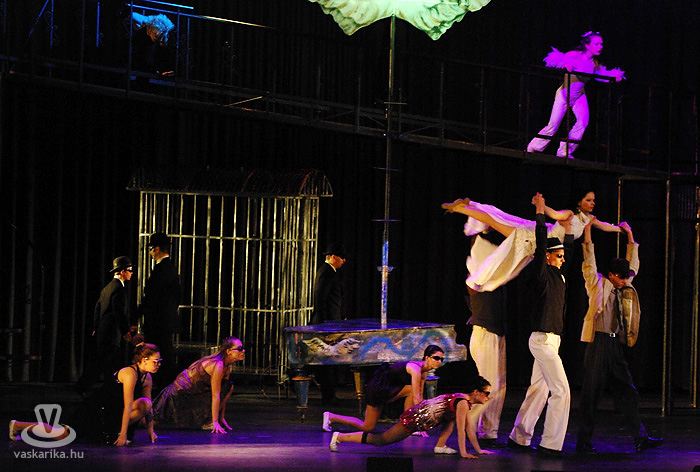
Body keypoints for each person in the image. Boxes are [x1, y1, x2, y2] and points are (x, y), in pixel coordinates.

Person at [576, 219, 663, 454]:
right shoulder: (597, 283)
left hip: (614, 343)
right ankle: (583, 442)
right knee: (592, 393)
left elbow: (633, 263)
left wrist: (630, 235)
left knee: (628, 390)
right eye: (621, 277)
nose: (625, 281)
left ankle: (640, 437)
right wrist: (587, 230)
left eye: (626, 277)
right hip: (598, 341)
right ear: (611, 275)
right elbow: (589, 261)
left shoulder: (623, 285)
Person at [442, 189, 619, 292]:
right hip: (533, 238)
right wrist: (540, 205)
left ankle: (467, 206)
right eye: (589, 200)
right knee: (496, 223)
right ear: (579, 202)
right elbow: (553, 214)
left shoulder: (588, 219)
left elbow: (605, 226)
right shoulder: (569, 214)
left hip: (538, 244)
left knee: (500, 223)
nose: (592, 203)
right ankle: (461, 208)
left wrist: (622, 229)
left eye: (593, 200)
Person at [507, 193, 572, 457]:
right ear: (546, 257)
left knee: (539, 390)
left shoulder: (560, 278)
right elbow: (542, 240)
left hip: (553, 341)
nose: (562, 259)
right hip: (542, 339)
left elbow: (567, 251)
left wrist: (568, 228)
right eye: (558, 256)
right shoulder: (542, 275)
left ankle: (519, 437)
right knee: (561, 390)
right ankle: (550, 444)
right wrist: (540, 212)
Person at [13, 343, 161, 446]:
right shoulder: (130, 373)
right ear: (144, 360)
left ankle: (114, 431)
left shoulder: (147, 378)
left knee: (145, 403)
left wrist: (150, 432)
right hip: (95, 410)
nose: (158, 364)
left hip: (112, 413)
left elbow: (148, 407)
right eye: (156, 361)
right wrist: (123, 434)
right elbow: (128, 404)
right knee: (61, 435)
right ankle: (17, 425)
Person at [329, 376, 494, 459]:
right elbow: (462, 431)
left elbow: (469, 428)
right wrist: (464, 453)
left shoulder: (463, 401)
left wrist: (479, 450)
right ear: (475, 392)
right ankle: (340, 437)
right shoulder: (462, 403)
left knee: (450, 419)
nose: (488, 397)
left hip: (419, 418)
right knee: (380, 440)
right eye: (486, 393)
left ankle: (440, 446)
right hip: (413, 420)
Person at [526, 31, 625, 159]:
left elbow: (602, 75)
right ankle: (533, 147)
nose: (600, 47)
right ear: (587, 45)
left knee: (583, 122)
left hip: (579, 95)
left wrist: (615, 76)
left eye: (601, 44)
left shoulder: (594, 63)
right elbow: (557, 60)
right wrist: (565, 65)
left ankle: (564, 151)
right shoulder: (575, 55)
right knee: (553, 126)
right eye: (597, 44)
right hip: (565, 94)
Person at [322, 345, 445, 433]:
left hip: (386, 389)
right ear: (427, 358)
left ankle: (331, 417)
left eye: (441, 359)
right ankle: (408, 424)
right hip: (379, 388)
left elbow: (420, 396)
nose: (439, 361)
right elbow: (416, 398)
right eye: (436, 358)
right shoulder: (416, 369)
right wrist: (421, 422)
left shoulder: (424, 372)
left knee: (367, 427)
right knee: (411, 390)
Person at [153, 336, 244, 434]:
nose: (243, 351)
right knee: (149, 421)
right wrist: (215, 421)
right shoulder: (218, 365)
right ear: (228, 351)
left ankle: (208, 421)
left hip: (191, 395)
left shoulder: (227, 367)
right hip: (177, 395)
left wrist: (221, 418)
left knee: (228, 386)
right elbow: (215, 395)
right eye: (239, 348)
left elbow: (223, 392)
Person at [76, 256, 135, 396]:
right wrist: (125, 330)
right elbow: (118, 311)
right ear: (122, 271)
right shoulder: (119, 289)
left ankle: (108, 391)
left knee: (108, 364)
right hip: (111, 333)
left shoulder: (107, 288)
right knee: (102, 363)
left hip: (104, 332)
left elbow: (98, 308)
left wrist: (96, 327)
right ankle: (82, 386)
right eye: (129, 270)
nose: (132, 273)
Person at [467, 284, 507, 445]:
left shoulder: (500, 276)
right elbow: (471, 285)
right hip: (485, 330)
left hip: (498, 331)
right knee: (490, 386)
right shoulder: (480, 274)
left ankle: (489, 432)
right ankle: (468, 424)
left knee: (500, 386)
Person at [139, 232, 181, 387]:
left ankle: (165, 387)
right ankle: (167, 387)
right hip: (166, 321)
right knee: (164, 354)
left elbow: (151, 298)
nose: (150, 253)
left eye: (151, 249)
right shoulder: (171, 268)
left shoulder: (161, 269)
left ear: (156, 249)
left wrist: (135, 317)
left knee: (158, 355)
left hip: (157, 322)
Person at [311, 243, 347, 405]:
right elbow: (321, 298)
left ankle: (330, 395)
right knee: (327, 361)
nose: (344, 261)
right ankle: (328, 396)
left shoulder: (330, 272)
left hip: (331, 322)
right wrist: (327, 323)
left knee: (330, 360)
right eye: (342, 258)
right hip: (327, 324)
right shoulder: (326, 272)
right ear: (333, 257)